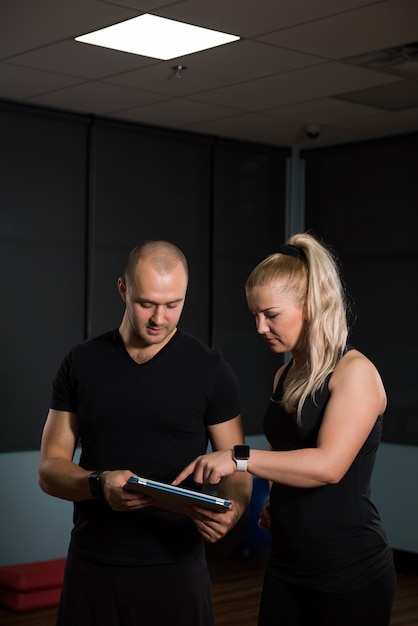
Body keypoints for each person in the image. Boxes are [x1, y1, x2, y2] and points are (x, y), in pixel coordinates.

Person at [173, 232, 396, 626]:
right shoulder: (285, 376)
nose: (260, 327)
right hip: (285, 562)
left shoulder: (354, 373)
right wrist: (276, 502)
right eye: (254, 315)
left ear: (311, 305)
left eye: (271, 314)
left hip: (348, 568)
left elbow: (329, 466)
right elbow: (284, 454)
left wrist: (237, 458)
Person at [38, 240, 252, 626]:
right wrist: (99, 483)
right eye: (147, 303)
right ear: (123, 289)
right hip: (92, 565)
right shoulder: (81, 362)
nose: (160, 318)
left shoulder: (212, 370)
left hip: (177, 570)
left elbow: (239, 468)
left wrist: (232, 511)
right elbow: (50, 470)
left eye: (173, 304)